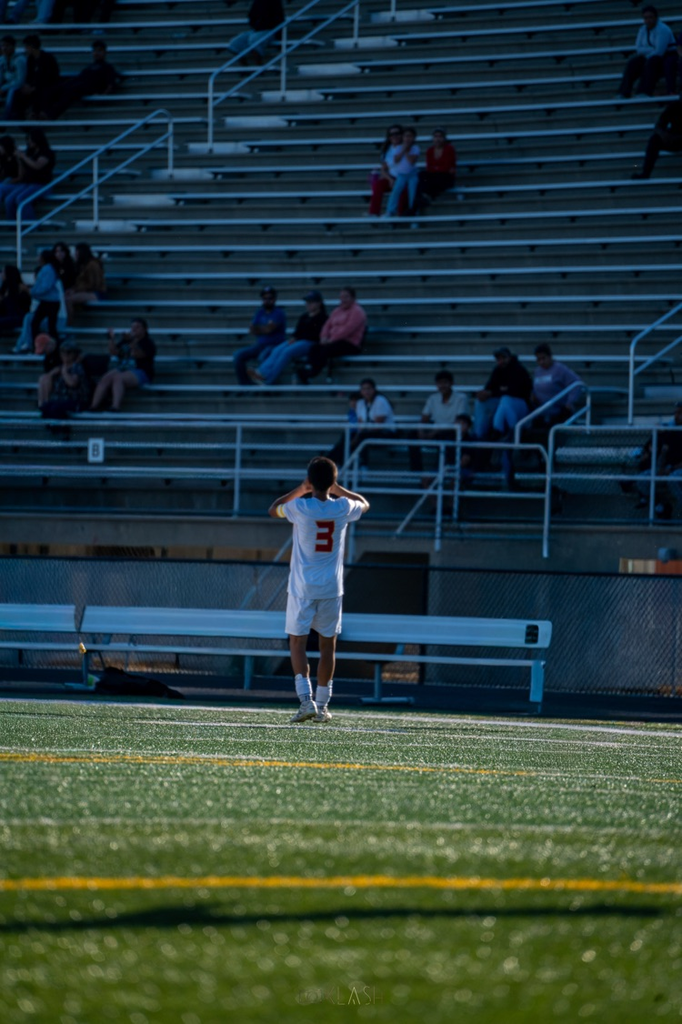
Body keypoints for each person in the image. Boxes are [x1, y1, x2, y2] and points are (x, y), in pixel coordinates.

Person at [268, 455, 369, 724]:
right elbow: (365, 504)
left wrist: (301, 489)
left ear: (311, 481)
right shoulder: (343, 506)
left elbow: (273, 508)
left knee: (297, 643)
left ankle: (306, 701)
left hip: (302, 587)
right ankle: (322, 706)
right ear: (333, 481)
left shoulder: (300, 506)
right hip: (331, 588)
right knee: (328, 647)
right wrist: (340, 489)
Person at [249, 290, 327, 385]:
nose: (308, 304)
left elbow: (316, 335)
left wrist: (297, 338)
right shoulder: (304, 316)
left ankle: (268, 378)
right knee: (277, 349)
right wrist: (294, 337)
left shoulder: (323, 318)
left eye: (311, 302)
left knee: (286, 352)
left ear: (319, 303)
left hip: (310, 343)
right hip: (300, 340)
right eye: (307, 302)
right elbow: (297, 331)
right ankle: (261, 372)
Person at [408, 369, 469, 475]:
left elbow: (459, 422)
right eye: (439, 383)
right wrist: (421, 431)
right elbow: (424, 418)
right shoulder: (433, 398)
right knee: (412, 435)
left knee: (447, 438)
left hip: (453, 432)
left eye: (445, 382)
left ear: (451, 383)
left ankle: (437, 473)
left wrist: (435, 432)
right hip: (436, 431)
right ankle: (416, 472)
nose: (442, 386)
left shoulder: (461, 398)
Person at [299, 286, 366, 382]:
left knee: (326, 349)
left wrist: (331, 339)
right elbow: (327, 325)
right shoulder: (337, 311)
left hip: (349, 343)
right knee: (314, 348)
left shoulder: (358, 312)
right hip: (333, 341)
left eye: (346, 297)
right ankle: (308, 368)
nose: (343, 300)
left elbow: (347, 330)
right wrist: (323, 337)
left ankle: (313, 372)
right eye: (341, 297)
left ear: (353, 298)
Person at [89, 318, 156, 412]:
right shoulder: (126, 341)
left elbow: (138, 354)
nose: (134, 329)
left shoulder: (148, 343)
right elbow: (114, 352)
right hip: (123, 368)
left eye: (138, 327)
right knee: (106, 378)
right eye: (133, 327)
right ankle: (94, 406)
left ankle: (115, 406)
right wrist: (111, 338)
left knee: (118, 378)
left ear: (145, 329)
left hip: (141, 371)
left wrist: (133, 341)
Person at [328, 377, 396, 468]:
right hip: (367, 432)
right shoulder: (360, 403)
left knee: (361, 437)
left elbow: (378, 426)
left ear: (374, 389)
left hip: (385, 433)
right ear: (361, 391)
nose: (366, 391)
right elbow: (360, 425)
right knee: (347, 436)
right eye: (364, 389)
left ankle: (363, 465)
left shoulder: (381, 401)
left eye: (369, 388)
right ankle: (331, 461)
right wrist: (356, 437)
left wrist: (358, 436)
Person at [43, 39, 121, 119]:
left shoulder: (108, 67)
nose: (96, 53)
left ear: (105, 52)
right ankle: (41, 111)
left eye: (99, 51)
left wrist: (101, 97)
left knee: (71, 89)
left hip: (89, 88)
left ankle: (51, 114)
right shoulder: (89, 67)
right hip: (79, 84)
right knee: (57, 87)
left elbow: (110, 85)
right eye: (95, 51)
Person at [473, 346, 533, 441]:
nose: (501, 361)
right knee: (480, 403)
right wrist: (484, 394)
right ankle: (479, 435)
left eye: (503, 358)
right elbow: (490, 388)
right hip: (503, 404)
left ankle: (502, 430)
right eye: (498, 358)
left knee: (506, 400)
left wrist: (495, 392)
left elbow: (517, 391)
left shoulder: (519, 370)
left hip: (520, 405)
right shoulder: (497, 371)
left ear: (509, 357)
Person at [233, 284, 287, 385]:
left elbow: (268, 330)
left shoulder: (278, 312)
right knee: (238, 356)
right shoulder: (260, 312)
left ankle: (267, 386)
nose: (267, 300)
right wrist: (264, 328)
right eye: (264, 298)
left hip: (274, 345)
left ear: (275, 299)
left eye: (270, 298)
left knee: (263, 357)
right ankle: (245, 386)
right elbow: (252, 330)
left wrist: (260, 328)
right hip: (260, 345)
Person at [618, 5, 676, 98]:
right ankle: (623, 92)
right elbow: (638, 49)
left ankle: (644, 91)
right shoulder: (642, 30)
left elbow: (659, 52)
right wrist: (651, 49)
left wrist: (647, 52)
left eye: (651, 17)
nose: (648, 20)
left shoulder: (663, 30)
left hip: (665, 58)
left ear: (656, 18)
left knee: (652, 62)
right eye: (646, 18)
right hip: (649, 57)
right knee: (633, 63)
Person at [635, 403, 682, 517]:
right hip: (667, 467)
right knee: (642, 479)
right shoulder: (669, 429)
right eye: (676, 413)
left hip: (677, 469)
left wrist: (671, 469)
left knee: (673, 479)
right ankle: (659, 505)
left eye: (680, 413)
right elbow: (663, 452)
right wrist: (660, 468)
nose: (677, 416)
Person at [1, 127, 55, 222]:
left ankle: (30, 226)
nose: (28, 141)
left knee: (21, 199)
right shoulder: (30, 153)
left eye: (30, 139)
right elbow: (23, 172)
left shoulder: (46, 153)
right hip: (28, 183)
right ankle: (13, 226)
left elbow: (37, 166)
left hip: (41, 184)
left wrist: (23, 156)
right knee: (9, 200)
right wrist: (19, 159)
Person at [530, 343, 584, 427]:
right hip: (541, 411)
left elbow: (576, 383)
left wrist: (569, 403)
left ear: (550, 356)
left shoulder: (560, 369)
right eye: (538, 359)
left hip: (558, 412)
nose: (541, 362)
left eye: (543, 358)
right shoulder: (537, 371)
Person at [7, 34, 59, 118]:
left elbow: (51, 77)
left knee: (40, 93)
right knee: (17, 93)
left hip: (47, 87)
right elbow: (30, 76)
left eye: (26, 47)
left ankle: (36, 114)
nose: (25, 50)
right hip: (33, 87)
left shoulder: (48, 59)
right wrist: (28, 85)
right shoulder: (30, 60)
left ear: (31, 46)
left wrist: (34, 87)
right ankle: (16, 116)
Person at [37, 338, 90, 418]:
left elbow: (72, 383)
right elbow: (48, 377)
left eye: (68, 353)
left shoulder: (77, 367)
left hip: (75, 400)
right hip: (60, 399)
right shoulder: (60, 368)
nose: (65, 355)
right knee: (45, 407)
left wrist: (64, 372)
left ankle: (61, 428)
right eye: (62, 352)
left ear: (74, 354)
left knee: (56, 408)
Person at [632, 98, 682, 178]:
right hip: (673, 138)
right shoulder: (674, 106)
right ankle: (646, 173)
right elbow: (660, 125)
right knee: (655, 140)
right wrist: (663, 134)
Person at [227, 0, 284, 67]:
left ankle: (259, 65)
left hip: (270, 30)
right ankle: (245, 68)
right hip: (256, 30)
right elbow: (251, 16)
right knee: (235, 43)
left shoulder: (274, 2)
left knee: (254, 40)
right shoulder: (257, 2)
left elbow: (279, 19)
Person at [367, 124, 406, 218]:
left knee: (403, 187)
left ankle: (400, 213)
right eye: (392, 134)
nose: (395, 136)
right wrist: (390, 179)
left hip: (403, 177)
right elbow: (383, 169)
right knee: (379, 185)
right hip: (392, 177)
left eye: (397, 133)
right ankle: (374, 212)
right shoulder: (387, 150)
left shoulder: (405, 147)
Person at [65, 241, 106, 322]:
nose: (75, 255)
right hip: (87, 291)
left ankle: (69, 323)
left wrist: (75, 290)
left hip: (97, 293)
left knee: (68, 299)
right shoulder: (83, 265)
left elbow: (93, 284)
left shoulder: (92, 264)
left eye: (76, 253)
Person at [417, 127, 456, 211]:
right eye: (436, 136)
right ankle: (426, 196)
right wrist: (438, 168)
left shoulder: (449, 149)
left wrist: (436, 168)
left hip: (445, 176)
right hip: (436, 175)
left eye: (440, 136)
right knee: (422, 175)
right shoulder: (430, 151)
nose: (438, 139)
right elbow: (429, 167)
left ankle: (427, 196)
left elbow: (447, 166)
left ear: (444, 138)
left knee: (439, 178)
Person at [384, 126, 419, 218]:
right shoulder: (399, 148)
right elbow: (396, 160)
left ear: (414, 138)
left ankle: (413, 211)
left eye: (410, 136)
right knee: (395, 192)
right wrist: (403, 149)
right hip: (401, 175)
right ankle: (390, 211)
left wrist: (407, 151)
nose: (408, 138)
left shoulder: (415, 148)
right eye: (406, 136)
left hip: (412, 175)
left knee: (413, 193)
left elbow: (412, 161)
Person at [0, 263, 30, 336]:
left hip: (17, 317)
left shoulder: (20, 289)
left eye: (3, 272)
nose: (1, 274)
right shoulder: (5, 288)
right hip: (7, 316)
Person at [0, 35, 25, 119]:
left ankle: (6, 117)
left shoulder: (20, 60)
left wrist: (3, 88)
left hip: (18, 88)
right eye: (3, 46)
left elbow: (20, 81)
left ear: (13, 47)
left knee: (12, 91)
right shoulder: (1, 60)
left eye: (7, 46)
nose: (4, 48)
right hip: (6, 86)